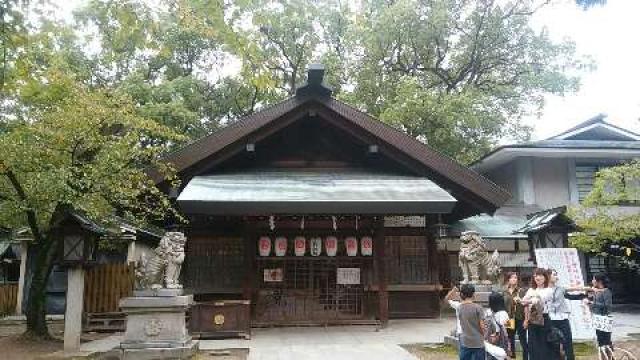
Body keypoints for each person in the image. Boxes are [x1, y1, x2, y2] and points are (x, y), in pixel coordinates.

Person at [548, 268, 585, 360]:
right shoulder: (543, 290)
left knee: (567, 341)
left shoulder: (561, 289)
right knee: (552, 342)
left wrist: (587, 292)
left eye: (556, 274)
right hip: (550, 320)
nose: (556, 276)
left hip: (563, 319)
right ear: (548, 276)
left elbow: (572, 295)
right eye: (554, 274)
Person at [522, 268, 557, 360]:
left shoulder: (549, 290)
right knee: (533, 345)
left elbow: (538, 300)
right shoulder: (531, 290)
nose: (538, 277)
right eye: (536, 275)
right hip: (532, 319)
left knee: (544, 345)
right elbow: (523, 302)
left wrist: (530, 299)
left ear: (545, 277)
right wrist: (530, 300)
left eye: (540, 275)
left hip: (543, 319)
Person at [504, 272, 529, 360]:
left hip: (520, 318)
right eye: (512, 278)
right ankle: (512, 357)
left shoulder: (521, 291)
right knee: (510, 340)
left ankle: (526, 358)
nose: (514, 279)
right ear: (508, 279)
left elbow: (526, 305)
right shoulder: (504, 291)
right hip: (509, 319)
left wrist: (526, 320)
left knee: (523, 340)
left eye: (516, 278)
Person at [458, 284, 487, 360]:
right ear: (473, 294)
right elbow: (482, 326)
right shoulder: (478, 308)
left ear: (462, 294)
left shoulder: (459, 308)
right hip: (478, 342)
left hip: (465, 341)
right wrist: (485, 336)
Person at [486, 291, 511, 359]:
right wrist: (509, 343)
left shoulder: (488, 312)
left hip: (490, 339)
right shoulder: (504, 313)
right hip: (501, 340)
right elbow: (508, 328)